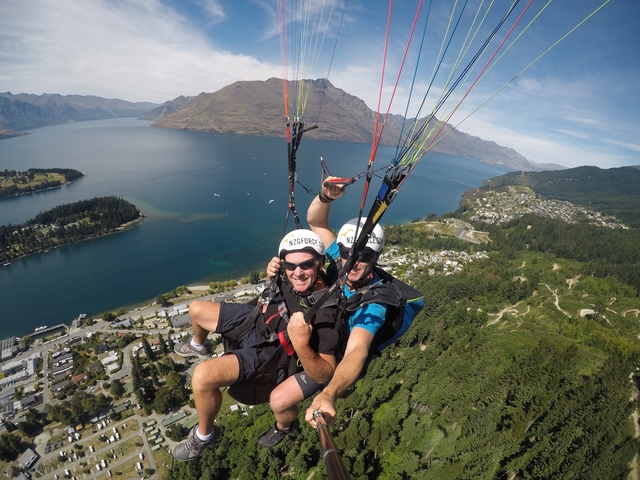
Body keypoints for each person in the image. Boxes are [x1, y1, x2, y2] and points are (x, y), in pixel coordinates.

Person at [170, 229, 340, 461]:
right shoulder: (288, 273)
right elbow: (314, 223)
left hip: (267, 351)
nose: (297, 273)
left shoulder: (326, 313)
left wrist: (301, 343)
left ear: (320, 263)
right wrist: (273, 273)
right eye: (290, 266)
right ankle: (199, 345)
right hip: (255, 318)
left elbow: (325, 372)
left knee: (202, 377)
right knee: (196, 309)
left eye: (306, 265)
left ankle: (204, 435)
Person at [303, 178, 423, 429]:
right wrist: (326, 197)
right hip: (327, 335)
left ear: (376, 258)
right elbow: (316, 222)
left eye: (364, 256)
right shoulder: (341, 259)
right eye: (347, 252)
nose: (352, 262)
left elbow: (358, 350)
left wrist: (330, 392)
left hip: (337, 359)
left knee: (281, 398)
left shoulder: (375, 303)